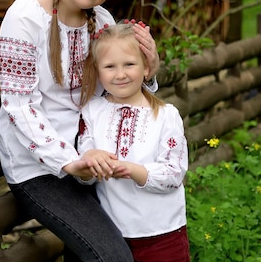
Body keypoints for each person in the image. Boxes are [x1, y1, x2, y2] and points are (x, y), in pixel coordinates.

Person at [0, 0, 160, 262]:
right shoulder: (26, 16)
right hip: (38, 167)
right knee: (113, 257)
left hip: (92, 157)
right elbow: (19, 104)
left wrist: (149, 72)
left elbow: (115, 96)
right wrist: (69, 161)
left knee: (143, 240)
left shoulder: (102, 21)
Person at [76, 22, 190, 262]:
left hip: (162, 232)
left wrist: (132, 170)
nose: (120, 74)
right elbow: (84, 162)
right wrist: (90, 158)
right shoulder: (92, 112)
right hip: (114, 234)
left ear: (146, 67)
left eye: (129, 64)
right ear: (98, 71)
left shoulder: (166, 115)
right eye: (110, 66)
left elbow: (174, 173)